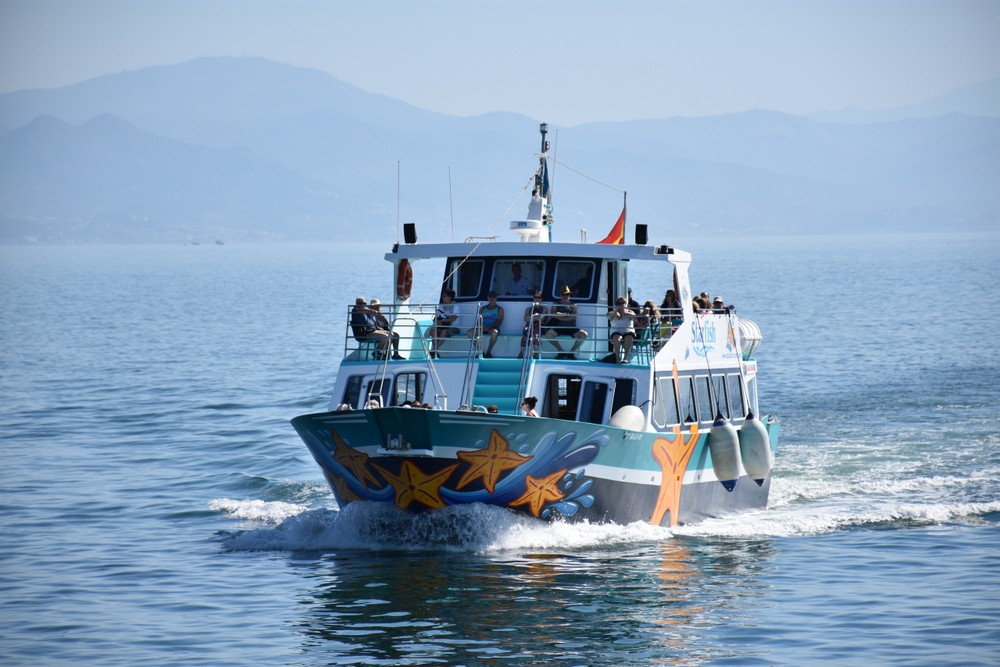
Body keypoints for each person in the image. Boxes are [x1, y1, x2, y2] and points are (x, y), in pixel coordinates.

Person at [543, 285, 588, 359]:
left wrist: (560, 316)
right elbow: (552, 314)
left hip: (571, 327)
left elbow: (574, 317)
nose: (565, 296)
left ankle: (571, 352)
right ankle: (561, 351)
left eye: (567, 294)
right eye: (563, 294)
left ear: (570, 295)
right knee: (548, 334)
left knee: (584, 334)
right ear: (560, 295)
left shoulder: (574, 305)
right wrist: (566, 315)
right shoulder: (556, 303)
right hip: (559, 327)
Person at [425, 288, 461, 358]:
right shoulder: (441, 306)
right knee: (433, 330)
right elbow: (436, 317)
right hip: (442, 326)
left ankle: (434, 350)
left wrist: (442, 321)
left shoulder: (456, 306)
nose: (442, 297)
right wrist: (437, 321)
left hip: (454, 327)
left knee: (444, 331)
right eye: (442, 295)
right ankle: (435, 351)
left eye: (444, 296)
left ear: (450, 297)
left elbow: (453, 318)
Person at [468, 291, 504, 358]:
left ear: (496, 298)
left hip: (492, 328)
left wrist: (490, 326)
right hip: (482, 327)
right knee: (470, 332)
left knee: (494, 333)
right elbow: (478, 320)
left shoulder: (500, 309)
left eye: (494, 297)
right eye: (490, 297)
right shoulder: (483, 308)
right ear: (488, 298)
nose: (492, 299)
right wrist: (482, 327)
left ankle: (488, 352)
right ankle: (480, 352)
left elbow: (499, 321)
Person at [607, 296, 637, 363]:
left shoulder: (630, 312)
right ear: (616, 305)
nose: (621, 305)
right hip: (616, 331)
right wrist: (615, 313)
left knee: (629, 337)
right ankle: (617, 358)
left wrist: (625, 313)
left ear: (626, 304)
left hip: (628, 331)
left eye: (623, 303)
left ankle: (625, 358)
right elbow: (607, 315)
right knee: (617, 338)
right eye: (619, 303)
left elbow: (635, 317)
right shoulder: (614, 313)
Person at [518, 291, 546, 359]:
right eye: (535, 297)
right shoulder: (528, 309)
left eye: (539, 297)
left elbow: (542, 318)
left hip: (539, 326)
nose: (537, 299)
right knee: (526, 334)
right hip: (529, 326)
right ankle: (521, 353)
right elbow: (525, 319)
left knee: (536, 335)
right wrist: (536, 317)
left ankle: (535, 353)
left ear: (541, 299)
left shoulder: (544, 308)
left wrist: (532, 317)